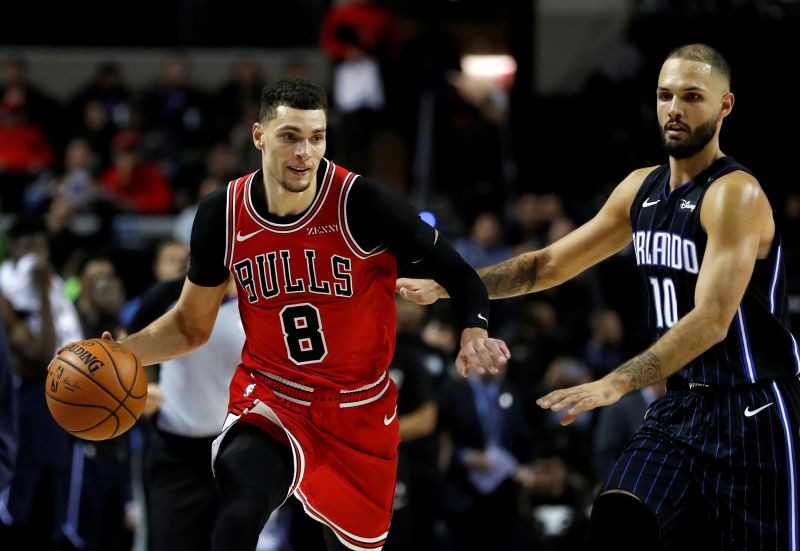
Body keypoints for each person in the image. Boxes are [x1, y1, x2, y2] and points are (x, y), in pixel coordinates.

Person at [397, 43, 800, 549]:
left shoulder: (734, 194)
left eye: (692, 96)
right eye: (665, 95)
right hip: (679, 408)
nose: (675, 108)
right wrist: (453, 285)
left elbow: (712, 320)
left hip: (751, 409)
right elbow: (548, 265)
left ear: (725, 106)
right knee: (616, 520)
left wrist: (614, 383)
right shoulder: (639, 190)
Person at [92, 77, 509, 551]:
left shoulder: (362, 203)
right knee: (236, 517)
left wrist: (473, 330)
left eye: (316, 137)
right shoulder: (222, 216)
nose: (304, 152)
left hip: (358, 410)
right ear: (259, 136)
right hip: (273, 396)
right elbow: (189, 326)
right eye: (290, 135)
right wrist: (117, 351)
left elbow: (461, 274)